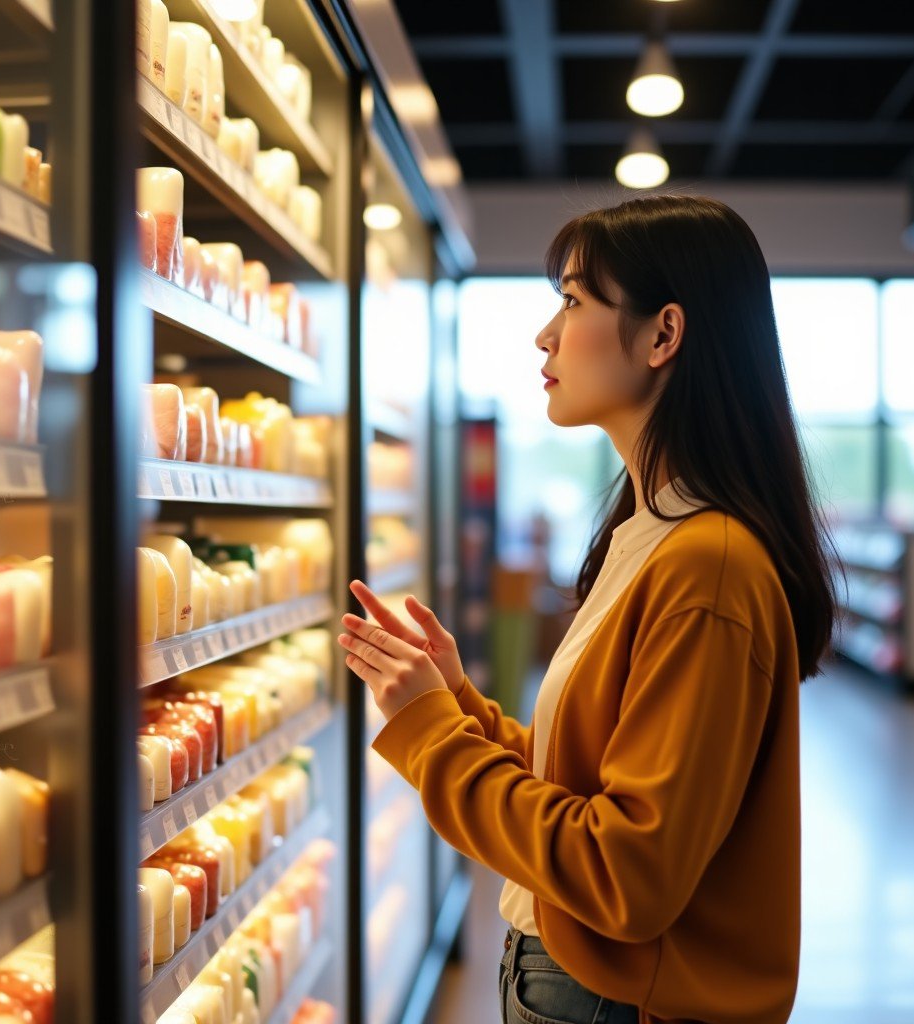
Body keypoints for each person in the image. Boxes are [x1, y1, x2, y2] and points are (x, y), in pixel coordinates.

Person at [338, 194, 837, 1024]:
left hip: (614, 1000)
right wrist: (457, 706)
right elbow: (592, 780)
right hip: (573, 982)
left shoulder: (706, 567)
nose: (546, 334)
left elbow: (623, 874)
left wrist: (431, 737)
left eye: (572, 301)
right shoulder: (650, 532)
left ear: (663, 335)